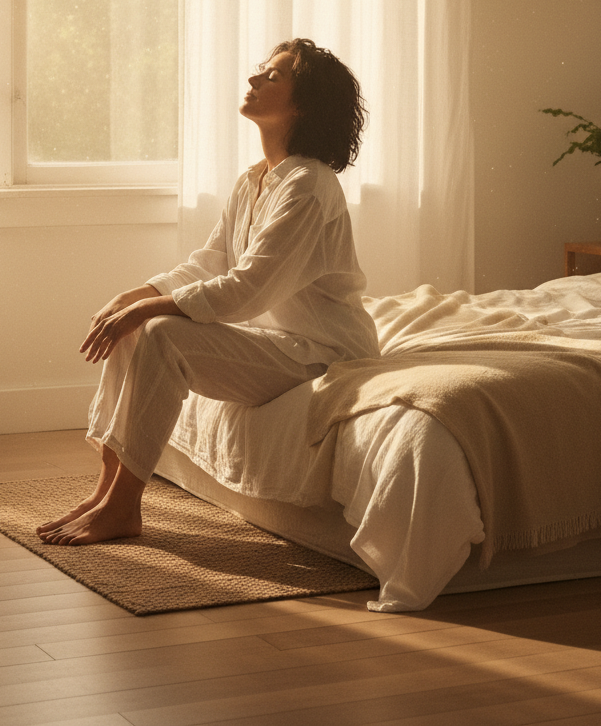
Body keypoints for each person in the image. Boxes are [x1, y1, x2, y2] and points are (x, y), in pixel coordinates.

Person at [37, 39, 379, 545]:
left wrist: (148, 309)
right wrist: (135, 296)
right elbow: (211, 263)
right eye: (260, 71)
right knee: (138, 326)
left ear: (302, 103)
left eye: (272, 76)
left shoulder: (309, 187)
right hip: (280, 345)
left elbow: (246, 291)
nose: (254, 79)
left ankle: (125, 506)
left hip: (324, 354)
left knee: (162, 334)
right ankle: (106, 490)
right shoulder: (254, 181)